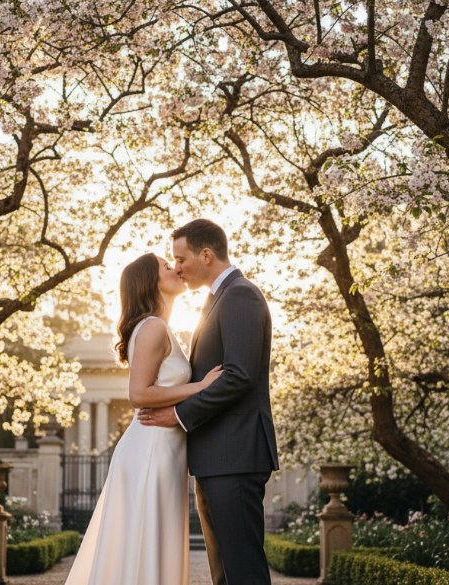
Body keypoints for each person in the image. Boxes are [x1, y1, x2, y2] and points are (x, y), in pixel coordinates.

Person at [65, 252, 223, 585]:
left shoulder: (159, 327)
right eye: (168, 266)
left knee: (152, 539)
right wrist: (201, 386)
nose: (177, 268)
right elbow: (138, 394)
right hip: (152, 448)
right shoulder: (151, 327)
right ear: (150, 282)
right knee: (148, 538)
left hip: (163, 447)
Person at [139, 218, 279, 585]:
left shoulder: (240, 295)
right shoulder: (218, 300)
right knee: (224, 572)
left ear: (206, 254)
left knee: (242, 568)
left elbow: (239, 375)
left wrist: (178, 415)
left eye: (180, 258)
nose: (178, 267)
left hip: (235, 455)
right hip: (216, 457)